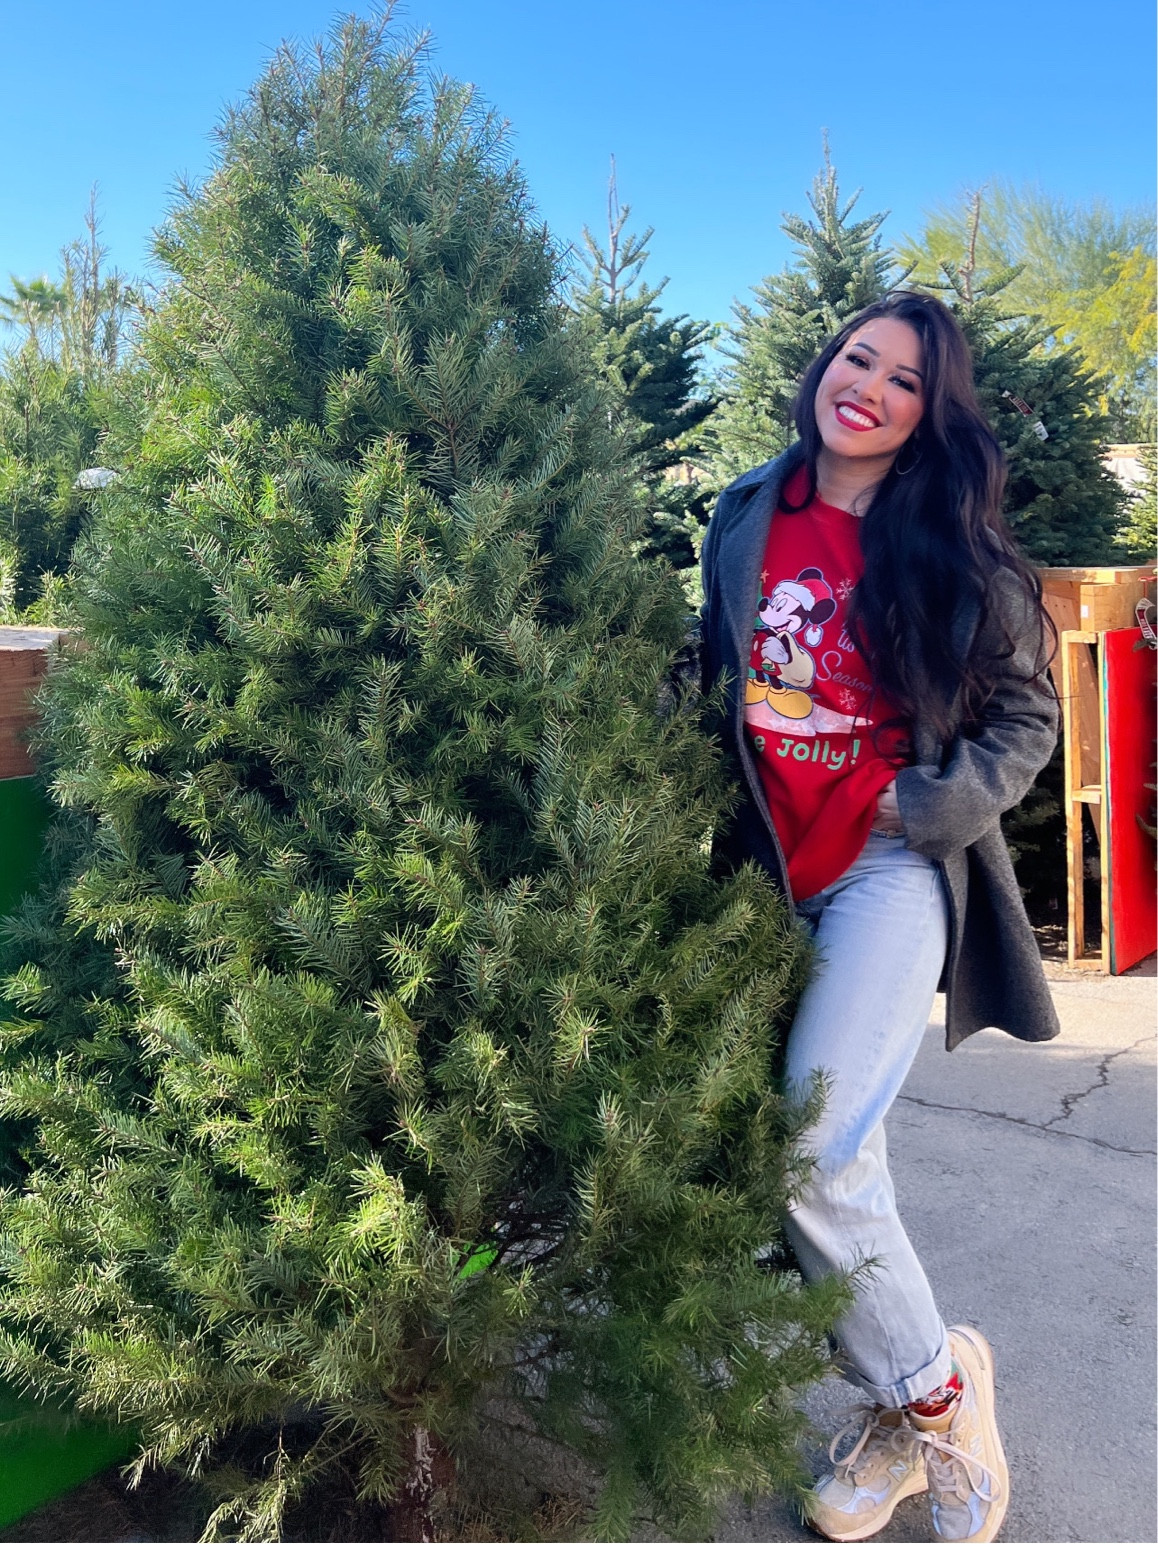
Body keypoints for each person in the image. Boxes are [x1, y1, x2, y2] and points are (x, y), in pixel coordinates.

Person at [699, 289, 1059, 1544]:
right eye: (859, 359)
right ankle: (909, 1403)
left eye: (905, 381)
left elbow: (1029, 717)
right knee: (837, 1154)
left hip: (887, 867)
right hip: (765, 867)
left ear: (926, 415)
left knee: (813, 1147)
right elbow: (717, 672)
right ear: (824, 366)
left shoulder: (952, 543)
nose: (871, 388)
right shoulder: (747, 510)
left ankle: (937, 1400)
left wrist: (929, 803)